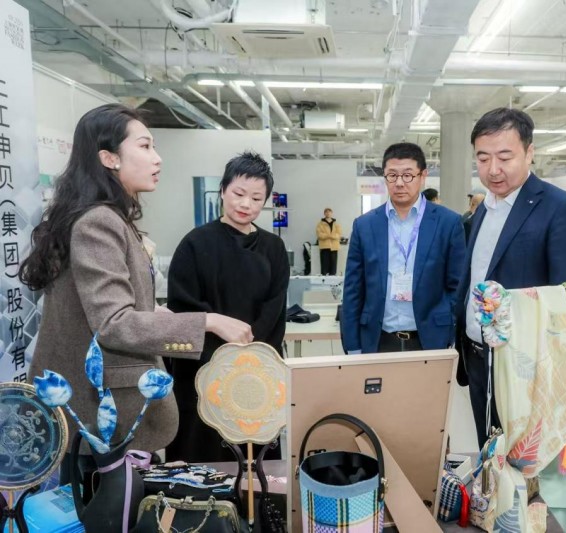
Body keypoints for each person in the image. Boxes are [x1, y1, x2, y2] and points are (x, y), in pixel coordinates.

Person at [21, 104, 252, 475]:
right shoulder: (98, 222)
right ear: (109, 158)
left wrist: (152, 311)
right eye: (145, 146)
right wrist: (208, 321)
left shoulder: (104, 217)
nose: (157, 158)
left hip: (97, 415)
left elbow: (94, 307)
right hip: (96, 415)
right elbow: (113, 323)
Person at [455, 107, 566, 447]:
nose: (493, 169)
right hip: (477, 358)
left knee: (523, 460)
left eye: (504, 157)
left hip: (523, 369)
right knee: (489, 452)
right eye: (482, 158)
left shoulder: (559, 208)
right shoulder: (484, 209)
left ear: (529, 153)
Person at [167, 151, 290, 462]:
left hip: (256, 371)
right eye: (238, 193)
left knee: (255, 460)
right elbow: (183, 310)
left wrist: (249, 357)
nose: (246, 204)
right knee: (202, 456)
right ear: (222, 190)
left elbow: (274, 309)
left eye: (256, 198)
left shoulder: (274, 248)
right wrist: (221, 362)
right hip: (203, 373)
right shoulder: (194, 244)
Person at [342, 142, 466, 353]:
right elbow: (353, 289)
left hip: (431, 341)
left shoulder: (448, 223)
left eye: (408, 175)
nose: (399, 183)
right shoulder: (364, 225)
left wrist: (452, 334)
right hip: (377, 340)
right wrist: (353, 345)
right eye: (392, 175)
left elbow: (458, 287)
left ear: (422, 175)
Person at [316, 207, 342, 275]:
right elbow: (319, 234)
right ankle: (324, 277)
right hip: (324, 247)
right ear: (324, 213)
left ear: (331, 213)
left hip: (334, 247)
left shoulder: (336, 224)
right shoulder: (320, 224)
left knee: (333, 265)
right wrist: (330, 235)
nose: (328, 213)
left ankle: (332, 278)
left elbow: (339, 234)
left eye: (329, 212)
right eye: (326, 212)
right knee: (324, 265)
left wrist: (330, 236)